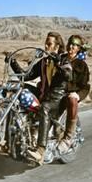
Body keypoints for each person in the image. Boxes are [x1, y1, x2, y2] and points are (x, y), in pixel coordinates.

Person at [10, 32, 73, 164]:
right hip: (44, 94)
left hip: (57, 98)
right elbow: (27, 75)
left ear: (57, 47)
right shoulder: (44, 62)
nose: (45, 46)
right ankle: (9, 140)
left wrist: (58, 64)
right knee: (17, 89)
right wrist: (13, 62)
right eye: (46, 43)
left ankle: (40, 151)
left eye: (49, 44)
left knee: (44, 108)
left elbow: (68, 75)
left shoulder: (64, 60)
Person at [56, 35, 90, 154]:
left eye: (75, 45)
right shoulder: (60, 59)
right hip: (56, 92)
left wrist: (78, 95)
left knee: (72, 100)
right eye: (70, 43)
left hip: (69, 95)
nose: (71, 46)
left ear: (78, 48)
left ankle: (68, 138)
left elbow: (85, 86)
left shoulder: (81, 65)